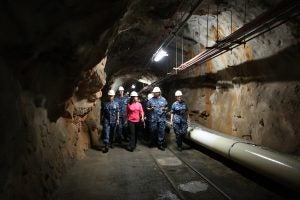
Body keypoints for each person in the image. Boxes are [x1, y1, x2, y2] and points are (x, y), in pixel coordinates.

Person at [147, 87, 168, 151]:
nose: (154, 93)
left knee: (161, 132)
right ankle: (152, 142)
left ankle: (160, 144)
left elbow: (167, 107)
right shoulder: (151, 100)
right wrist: (151, 109)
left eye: (155, 92)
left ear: (159, 93)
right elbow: (147, 108)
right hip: (154, 119)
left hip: (161, 119)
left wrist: (165, 109)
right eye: (153, 92)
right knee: (152, 131)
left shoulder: (164, 100)